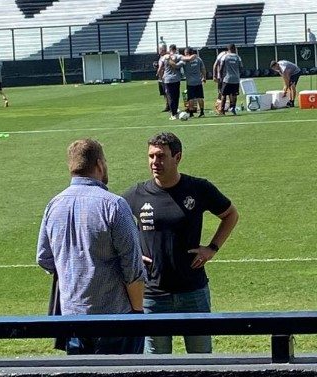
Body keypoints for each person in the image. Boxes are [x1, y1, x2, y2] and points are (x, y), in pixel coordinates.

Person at [123, 132, 239, 354]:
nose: (155, 162)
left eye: (161, 156)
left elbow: (230, 214)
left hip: (192, 291)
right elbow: (115, 228)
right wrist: (133, 254)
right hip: (152, 295)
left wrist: (212, 248)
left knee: (202, 359)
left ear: (177, 157)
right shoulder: (137, 194)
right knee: (156, 366)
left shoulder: (198, 188)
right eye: (151, 157)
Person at [37, 138, 146, 355]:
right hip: (115, 318)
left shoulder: (54, 204)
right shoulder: (114, 205)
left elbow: (44, 257)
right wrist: (137, 311)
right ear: (99, 164)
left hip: (72, 319)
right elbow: (132, 268)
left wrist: (73, 269)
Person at [158, 44, 184, 120]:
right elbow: (182, 61)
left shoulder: (164, 57)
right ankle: (175, 111)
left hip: (168, 80)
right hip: (176, 79)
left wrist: (160, 77)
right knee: (176, 96)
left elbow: (160, 68)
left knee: (170, 97)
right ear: (175, 49)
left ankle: (173, 114)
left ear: (170, 49)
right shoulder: (178, 56)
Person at [219, 43, 242, 115]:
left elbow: (221, 68)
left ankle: (222, 110)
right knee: (234, 94)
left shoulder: (225, 56)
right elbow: (241, 68)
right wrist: (238, 74)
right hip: (236, 79)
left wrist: (221, 77)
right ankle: (233, 108)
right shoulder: (238, 57)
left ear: (228, 49)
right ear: (234, 49)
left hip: (227, 78)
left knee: (224, 94)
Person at [155, 43, 170, 112]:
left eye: (159, 49)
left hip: (165, 78)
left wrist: (158, 71)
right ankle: (167, 105)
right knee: (164, 93)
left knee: (167, 92)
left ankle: (171, 105)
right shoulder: (161, 57)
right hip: (160, 79)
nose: (158, 51)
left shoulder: (167, 56)